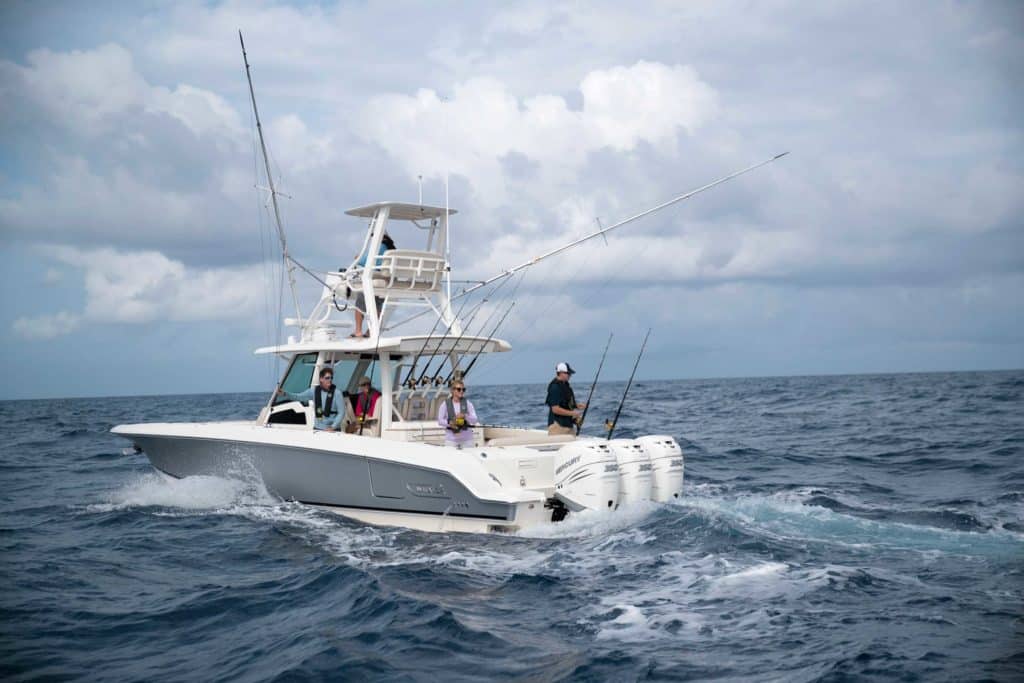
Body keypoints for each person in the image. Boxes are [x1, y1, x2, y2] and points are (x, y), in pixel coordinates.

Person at [352, 232, 396, 338]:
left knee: (359, 303)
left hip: (375, 280)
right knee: (377, 306)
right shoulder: (391, 249)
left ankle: (358, 331)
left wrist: (358, 257)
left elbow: (365, 261)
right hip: (387, 282)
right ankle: (370, 331)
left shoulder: (379, 247)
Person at [277, 367, 343, 431]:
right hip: (318, 428)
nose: (330, 380)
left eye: (331, 378)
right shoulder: (313, 391)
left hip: (333, 430)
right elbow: (298, 397)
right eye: (327, 378)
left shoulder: (337, 393)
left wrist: (333, 427)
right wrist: (285, 393)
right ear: (321, 379)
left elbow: (341, 412)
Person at [546, 362, 585, 436]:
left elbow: (565, 403)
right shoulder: (555, 387)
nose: (570, 375)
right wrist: (573, 413)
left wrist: (576, 406)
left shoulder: (565, 386)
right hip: (558, 427)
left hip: (568, 426)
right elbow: (555, 409)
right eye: (568, 373)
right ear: (560, 373)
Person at [437, 380, 479, 448]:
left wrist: (465, 416)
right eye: (459, 389)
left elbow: (475, 420)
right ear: (452, 391)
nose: (461, 391)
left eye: (463, 389)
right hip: (451, 441)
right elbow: (440, 421)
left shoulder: (468, 403)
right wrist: (450, 423)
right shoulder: (444, 404)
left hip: (467, 440)